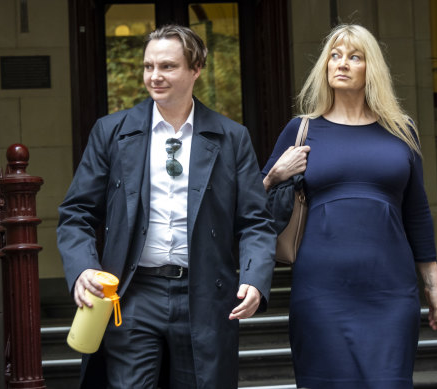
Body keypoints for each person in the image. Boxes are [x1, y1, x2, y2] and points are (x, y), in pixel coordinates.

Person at [57, 24, 276, 389]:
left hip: (205, 294)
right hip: (134, 294)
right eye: (148, 67)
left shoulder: (232, 138)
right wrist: (83, 269)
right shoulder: (111, 132)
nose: (154, 77)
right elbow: (76, 213)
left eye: (168, 67)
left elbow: (255, 221)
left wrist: (254, 277)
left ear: (196, 68)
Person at [262, 23, 437, 389]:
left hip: (390, 292)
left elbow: (417, 211)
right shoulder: (301, 129)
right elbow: (252, 202)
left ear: (371, 68)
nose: (342, 64)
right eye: (334, 56)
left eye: (354, 57)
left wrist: (434, 284)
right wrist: (274, 175)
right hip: (320, 292)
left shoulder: (402, 130)